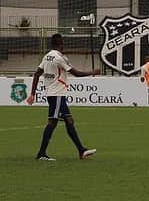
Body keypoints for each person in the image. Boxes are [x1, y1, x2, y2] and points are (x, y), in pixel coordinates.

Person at [26, 34, 99, 162]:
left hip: (54, 94)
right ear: (61, 43)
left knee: (69, 121)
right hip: (57, 94)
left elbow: (37, 74)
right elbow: (76, 73)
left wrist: (32, 94)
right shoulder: (59, 58)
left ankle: (82, 151)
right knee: (52, 123)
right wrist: (92, 72)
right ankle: (41, 153)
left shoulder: (47, 56)